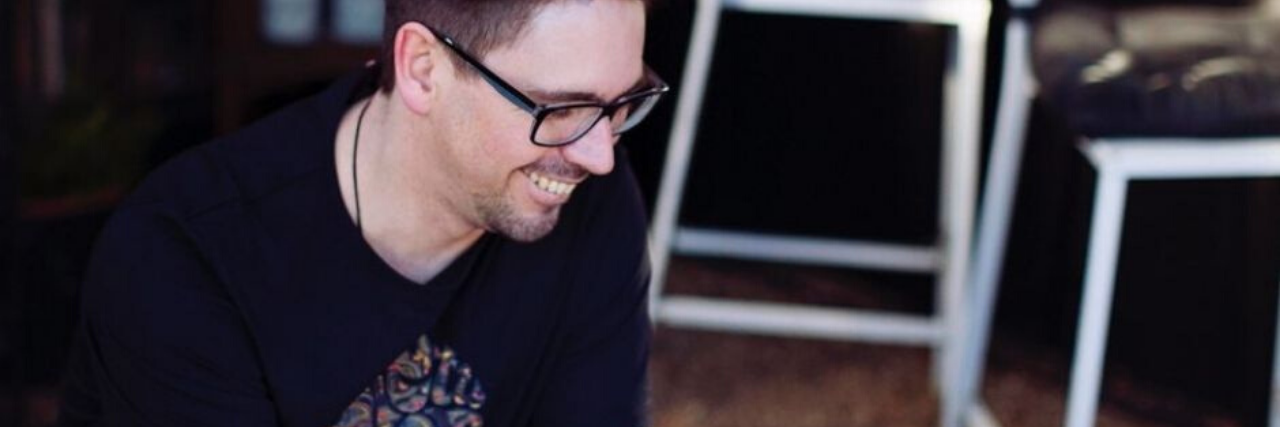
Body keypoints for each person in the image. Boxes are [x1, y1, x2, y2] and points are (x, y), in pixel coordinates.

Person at [57, 0, 668, 425]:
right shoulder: (186, 258)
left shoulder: (590, 204)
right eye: (560, 109)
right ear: (423, 70)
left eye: (622, 104)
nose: (600, 155)